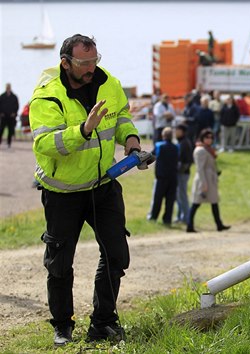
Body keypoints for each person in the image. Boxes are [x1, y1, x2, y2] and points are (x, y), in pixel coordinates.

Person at [29, 34, 143, 346]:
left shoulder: (109, 82)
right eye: (84, 63)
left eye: (95, 60)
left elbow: (121, 118)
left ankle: (103, 322)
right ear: (65, 63)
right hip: (62, 194)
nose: (92, 67)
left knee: (117, 254)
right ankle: (62, 325)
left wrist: (131, 140)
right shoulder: (46, 96)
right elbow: (44, 144)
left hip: (103, 186)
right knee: (60, 263)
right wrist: (83, 130)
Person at [187, 129, 230, 233]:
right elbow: (200, 168)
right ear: (202, 138)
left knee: (214, 202)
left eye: (211, 137)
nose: (209, 139)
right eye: (207, 137)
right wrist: (203, 183)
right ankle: (189, 225)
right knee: (196, 203)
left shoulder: (208, 149)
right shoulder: (200, 150)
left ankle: (219, 224)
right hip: (204, 179)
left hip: (210, 179)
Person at [148, 127, 179, 225]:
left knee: (158, 198)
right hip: (173, 176)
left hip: (161, 176)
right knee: (170, 200)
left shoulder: (159, 145)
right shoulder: (176, 147)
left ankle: (154, 217)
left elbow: (152, 156)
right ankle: (167, 219)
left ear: (163, 136)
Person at [175, 124, 194, 224]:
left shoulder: (184, 143)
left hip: (183, 173)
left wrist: (179, 170)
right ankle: (180, 216)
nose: (175, 132)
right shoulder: (181, 142)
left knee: (182, 195)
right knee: (178, 196)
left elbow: (187, 161)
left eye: (177, 130)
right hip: (180, 172)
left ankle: (186, 217)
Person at [0, 83, 19, 149]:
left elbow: (17, 106)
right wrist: (1, 113)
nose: (8, 88)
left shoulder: (14, 97)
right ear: (6, 87)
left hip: (11, 117)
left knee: (10, 131)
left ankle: (9, 143)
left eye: (9, 87)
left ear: (10, 87)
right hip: (3, 116)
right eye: (7, 87)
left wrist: (14, 113)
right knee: (1, 130)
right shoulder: (2, 96)